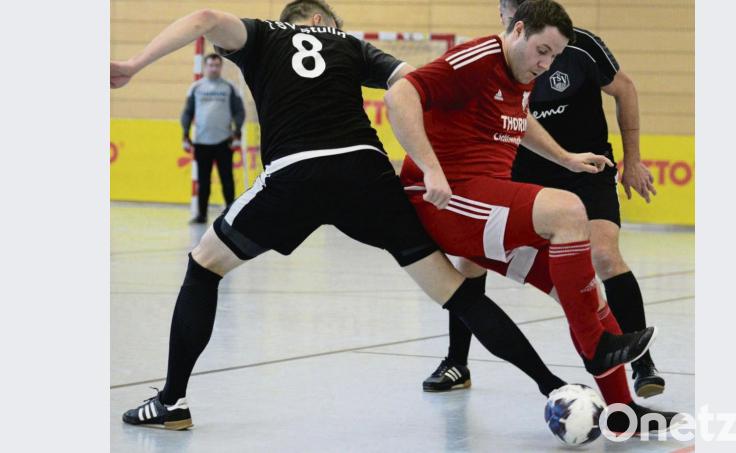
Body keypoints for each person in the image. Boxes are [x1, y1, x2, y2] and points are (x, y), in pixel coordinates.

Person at [109, 0, 651, 431]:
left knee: (204, 266)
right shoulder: (352, 45)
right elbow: (411, 81)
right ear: (327, 23)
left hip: (298, 171)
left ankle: (173, 399)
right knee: (457, 292)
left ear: (295, 21)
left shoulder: (265, 35)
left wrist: (134, 66)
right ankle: (551, 384)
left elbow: (204, 18)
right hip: (370, 177)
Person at [385, 0, 673, 431]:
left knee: (584, 293)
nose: (546, 64)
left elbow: (521, 118)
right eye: (542, 51)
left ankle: (620, 412)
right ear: (516, 29)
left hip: (483, 199)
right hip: (447, 200)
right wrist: (429, 168)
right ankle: (595, 347)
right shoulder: (479, 58)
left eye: (554, 56)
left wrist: (566, 158)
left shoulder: (521, 73)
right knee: (568, 210)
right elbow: (399, 94)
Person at [181, 53, 246, 223]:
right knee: (203, 181)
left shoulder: (229, 88)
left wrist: (237, 131)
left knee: (227, 180)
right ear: (205, 67)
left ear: (221, 67)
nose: (214, 68)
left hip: (224, 142)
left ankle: (230, 214)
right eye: (210, 65)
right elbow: (188, 112)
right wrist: (185, 133)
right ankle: (201, 215)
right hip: (202, 142)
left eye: (217, 65)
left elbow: (239, 111)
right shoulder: (196, 88)